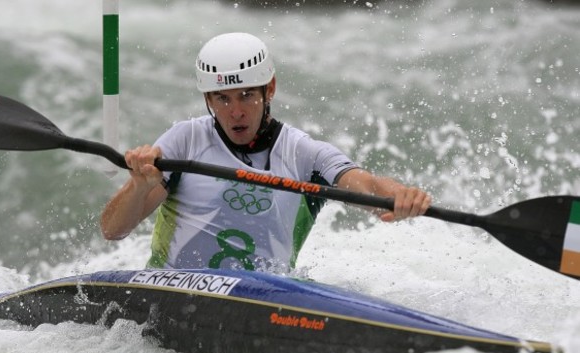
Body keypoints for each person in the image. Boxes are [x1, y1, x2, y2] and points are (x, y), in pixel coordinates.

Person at [101, 32, 431, 271]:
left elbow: (367, 186)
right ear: (208, 100)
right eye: (223, 99)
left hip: (263, 301)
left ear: (269, 88)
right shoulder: (185, 141)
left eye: (246, 95)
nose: (236, 112)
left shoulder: (304, 154)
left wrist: (401, 196)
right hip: (171, 289)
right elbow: (113, 230)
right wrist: (139, 186)